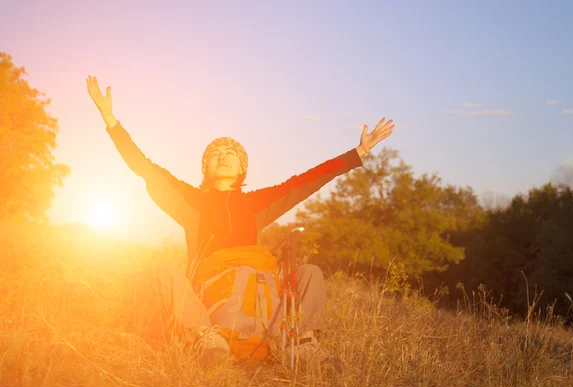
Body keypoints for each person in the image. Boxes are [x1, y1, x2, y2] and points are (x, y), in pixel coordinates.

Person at [86, 75, 395, 363]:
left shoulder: (258, 202)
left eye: (230, 152)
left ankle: (304, 340)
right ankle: (206, 336)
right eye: (215, 153)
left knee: (310, 272)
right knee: (166, 270)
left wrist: (358, 152)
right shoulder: (187, 199)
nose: (222, 156)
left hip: (259, 289)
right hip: (211, 291)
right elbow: (144, 167)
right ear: (205, 167)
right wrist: (110, 121)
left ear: (241, 167)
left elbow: (307, 181)